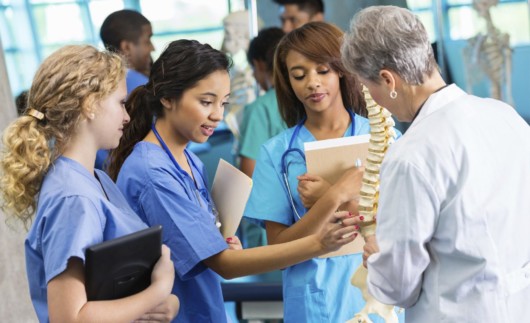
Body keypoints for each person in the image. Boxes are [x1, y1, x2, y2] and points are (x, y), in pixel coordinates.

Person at [106, 39, 362, 322]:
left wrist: (220, 243)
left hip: (202, 306)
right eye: (206, 102)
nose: (218, 115)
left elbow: (207, 246)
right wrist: (320, 244)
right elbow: (225, 265)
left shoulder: (189, 161)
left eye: (223, 103)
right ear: (167, 98)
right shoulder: (152, 173)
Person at [341, 5, 530, 322]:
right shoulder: (506, 117)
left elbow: (398, 288)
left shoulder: (412, 155)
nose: (372, 97)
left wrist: (378, 259)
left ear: (388, 80)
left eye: (369, 86)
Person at [0, 45, 179, 322]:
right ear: (90, 104)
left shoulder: (97, 180)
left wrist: (161, 305)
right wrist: (158, 290)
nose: (127, 117)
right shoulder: (73, 198)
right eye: (121, 103)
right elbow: (70, 318)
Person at [244, 21, 401, 322]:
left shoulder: (384, 138)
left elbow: (405, 226)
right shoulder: (276, 154)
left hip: (379, 295)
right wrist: (337, 194)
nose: (312, 83)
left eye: (323, 71)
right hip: (314, 302)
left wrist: (328, 195)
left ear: (341, 69)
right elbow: (278, 249)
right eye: (299, 75)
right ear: (287, 82)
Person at [100, 9, 154, 93]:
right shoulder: (144, 88)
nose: (153, 48)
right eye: (147, 41)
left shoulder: (105, 86)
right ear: (126, 47)